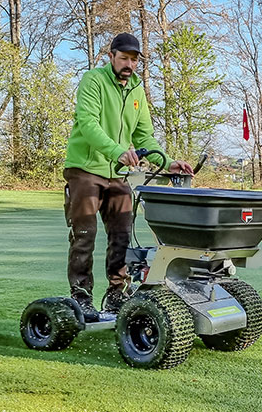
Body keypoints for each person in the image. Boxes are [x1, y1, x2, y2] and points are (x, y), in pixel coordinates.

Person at [63, 32, 194, 322]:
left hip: (118, 174)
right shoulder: (93, 81)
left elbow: (144, 134)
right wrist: (118, 151)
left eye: (134, 60)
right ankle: (81, 297)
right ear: (110, 56)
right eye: (124, 58)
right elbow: (88, 124)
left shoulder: (136, 91)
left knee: (122, 234)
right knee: (84, 235)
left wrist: (168, 163)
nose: (129, 65)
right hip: (85, 170)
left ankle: (115, 294)